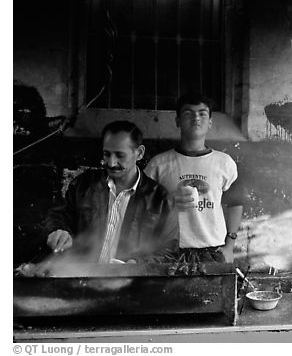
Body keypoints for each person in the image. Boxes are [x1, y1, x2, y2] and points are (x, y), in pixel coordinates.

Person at [45, 120, 178, 263]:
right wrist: (59, 231)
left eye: (120, 155)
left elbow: (169, 251)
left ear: (139, 153)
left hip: (130, 282)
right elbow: (59, 216)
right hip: (81, 275)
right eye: (107, 154)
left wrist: (138, 264)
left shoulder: (161, 199)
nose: (111, 163)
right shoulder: (82, 185)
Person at [145, 93, 243, 263]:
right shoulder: (158, 165)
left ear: (210, 122)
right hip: (168, 252)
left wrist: (229, 245)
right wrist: (168, 200)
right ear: (177, 121)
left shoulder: (224, 163)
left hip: (213, 250)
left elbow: (235, 203)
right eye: (188, 113)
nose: (196, 118)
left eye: (202, 113)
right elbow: (141, 206)